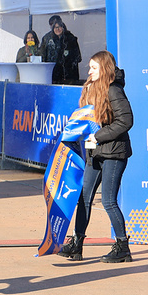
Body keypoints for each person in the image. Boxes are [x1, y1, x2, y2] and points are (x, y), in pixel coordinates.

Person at [60, 51, 134, 264]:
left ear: (105, 68)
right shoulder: (91, 88)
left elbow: (126, 120)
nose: (89, 71)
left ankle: (122, 247)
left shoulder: (114, 89)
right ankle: (76, 244)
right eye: (89, 67)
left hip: (114, 152)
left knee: (109, 200)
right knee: (84, 198)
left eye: (94, 67)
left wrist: (98, 136)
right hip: (95, 152)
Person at [41, 15, 81, 84]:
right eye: (54, 26)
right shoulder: (47, 38)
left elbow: (77, 57)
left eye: (59, 26)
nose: (57, 29)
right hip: (53, 74)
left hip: (69, 75)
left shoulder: (71, 38)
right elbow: (43, 56)